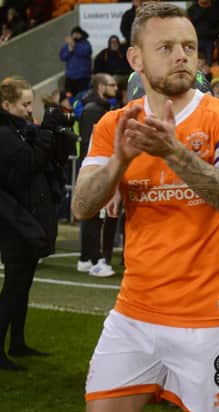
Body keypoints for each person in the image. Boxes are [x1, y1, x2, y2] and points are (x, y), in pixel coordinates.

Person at [72, 3, 219, 412]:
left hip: (209, 319)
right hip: (133, 314)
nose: (182, 56)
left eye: (189, 46)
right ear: (135, 58)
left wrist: (173, 151)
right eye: (167, 47)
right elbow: (82, 207)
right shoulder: (114, 126)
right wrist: (118, 162)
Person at [0, 77, 74, 370]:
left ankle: (17, 342)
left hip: (24, 217)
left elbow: (50, 158)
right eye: (25, 104)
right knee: (15, 285)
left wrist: (59, 129)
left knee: (23, 284)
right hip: (13, 221)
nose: (31, 110)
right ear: (6, 105)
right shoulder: (4, 133)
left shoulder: (17, 129)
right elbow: (30, 163)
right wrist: (45, 131)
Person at [76, 73, 119, 278]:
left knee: (94, 215)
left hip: (95, 164)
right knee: (96, 215)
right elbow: (88, 142)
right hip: (96, 166)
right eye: (111, 85)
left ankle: (86, 258)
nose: (116, 88)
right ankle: (93, 259)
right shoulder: (94, 111)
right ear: (101, 86)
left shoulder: (98, 108)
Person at [59, 26, 92, 97]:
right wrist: (69, 50)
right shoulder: (67, 45)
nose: (75, 35)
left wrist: (74, 47)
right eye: (74, 34)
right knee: (69, 97)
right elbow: (62, 57)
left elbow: (85, 52)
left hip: (83, 78)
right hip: (70, 77)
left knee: (83, 96)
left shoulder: (85, 43)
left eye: (77, 33)